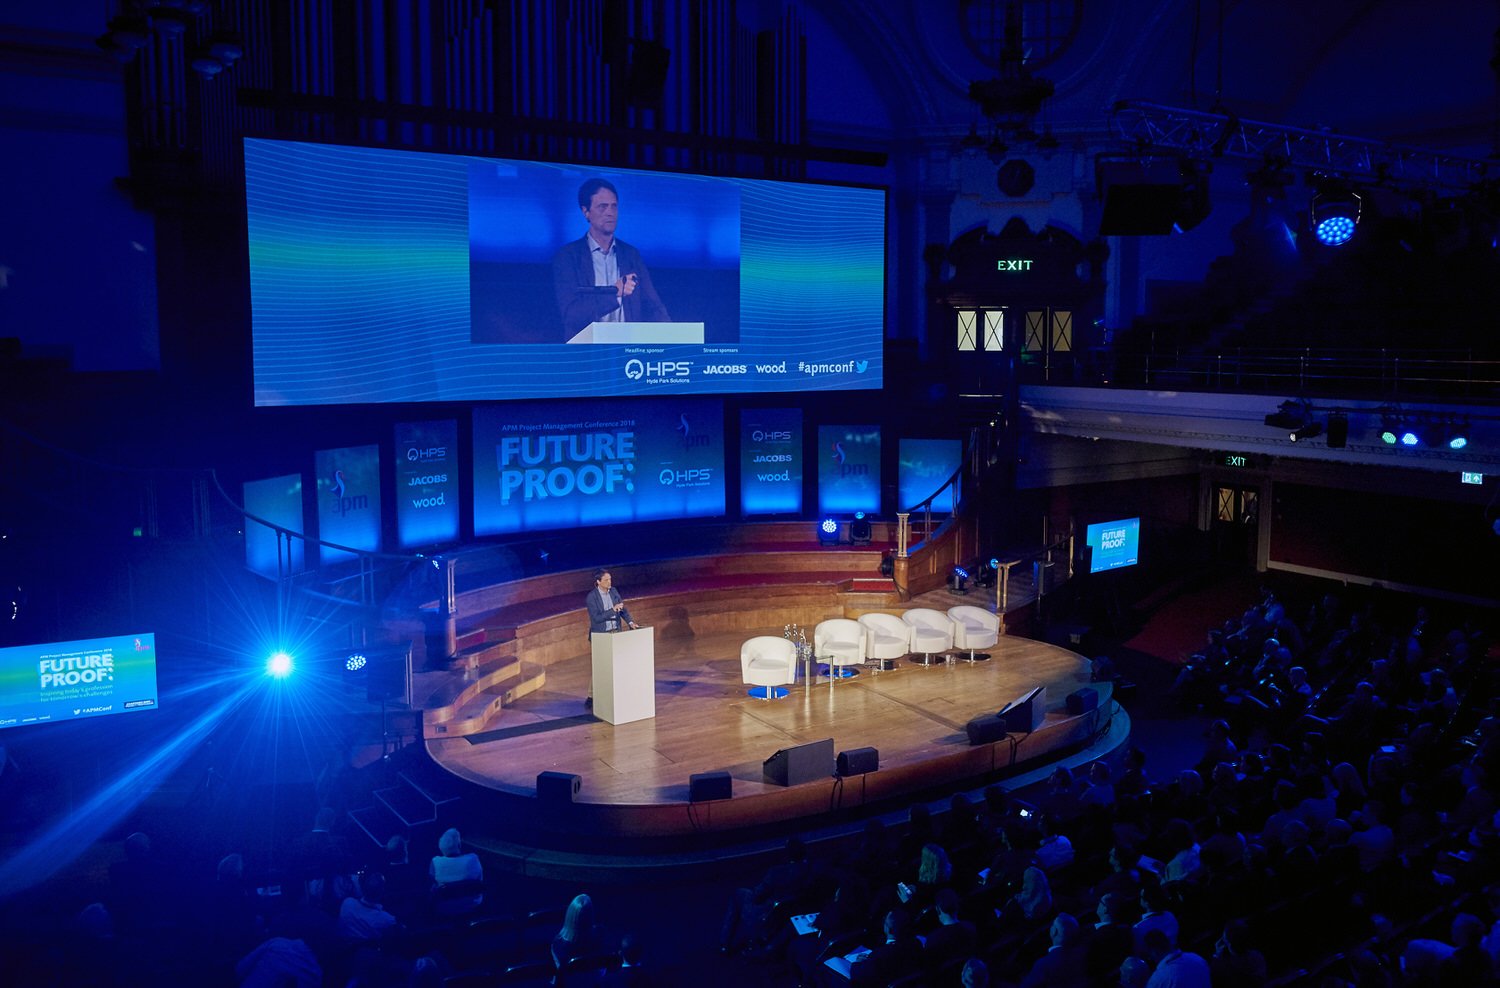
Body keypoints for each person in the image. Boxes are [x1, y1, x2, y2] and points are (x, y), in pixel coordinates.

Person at [553, 177, 670, 338]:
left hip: (628, 348)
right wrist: (615, 293)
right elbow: (571, 315)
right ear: (586, 212)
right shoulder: (568, 256)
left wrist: (672, 338)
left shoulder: (631, 255)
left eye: (614, 206)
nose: (610, 212)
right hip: (587, 351)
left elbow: (653, 306)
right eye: (602, 207)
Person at [585, 568, 638, 708]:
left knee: (617, 665)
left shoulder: (614, 591)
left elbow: (623, 609)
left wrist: (630, 622)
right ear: (598, 582)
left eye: (610, 579)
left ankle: (616, 693)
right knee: (600, 667)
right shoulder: (591, 597)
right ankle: (591, 696)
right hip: (601, 636)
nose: (609, 582)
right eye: (606, 580)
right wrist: (612, 610)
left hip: (616, 633)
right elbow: (596, 618)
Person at [429, 827, 483, 916]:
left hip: (444, 909)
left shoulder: (435, 862)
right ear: (459, 845)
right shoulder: (473, 859)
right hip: (472, 907)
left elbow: (432, 885)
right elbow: (479, 881)